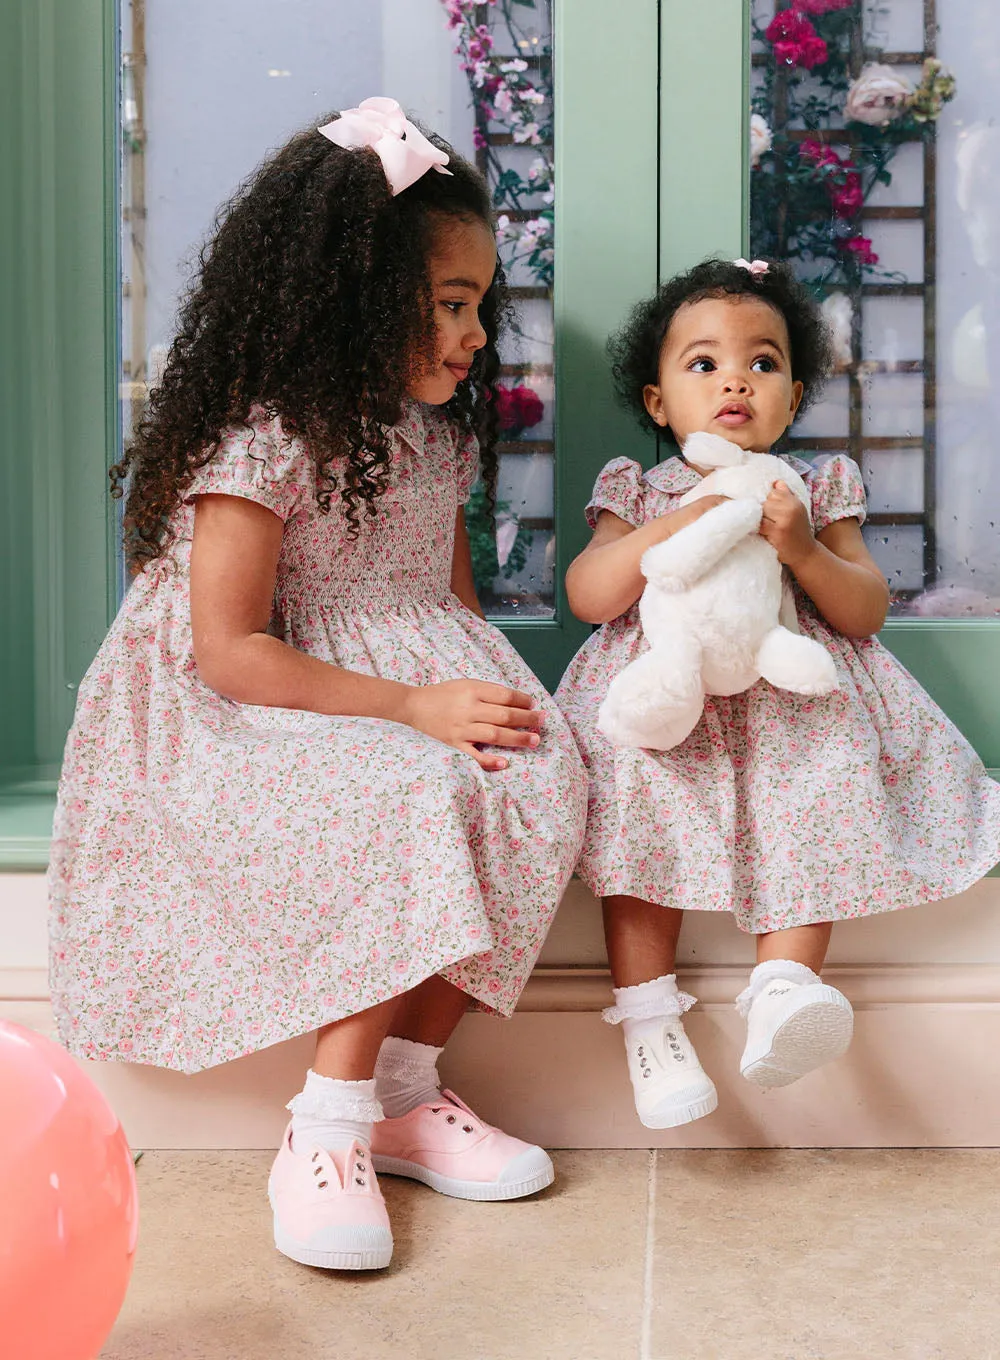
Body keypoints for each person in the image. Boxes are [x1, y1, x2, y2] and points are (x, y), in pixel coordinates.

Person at [49, 98, 586, 1271]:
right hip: (235, 704)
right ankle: (325, 1127)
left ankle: (401, 1088)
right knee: (407, 790)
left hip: (382, 674)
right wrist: (410, 710)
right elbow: (230, 650)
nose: (475, 334)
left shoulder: (434, 437)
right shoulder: (262, 435)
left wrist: (472, 702)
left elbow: (441, 607)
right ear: (354, 297)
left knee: (535, 776)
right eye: (451, 304)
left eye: (483, 307)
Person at [555, 257, 1000, 1129]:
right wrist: (677, 520)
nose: (735, 382)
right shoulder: (636, 486)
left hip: (793, 695)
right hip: (666, 696)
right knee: (635, 803)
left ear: (791, 400)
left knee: (821, 790)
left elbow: (864, 609)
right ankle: (650, 1025)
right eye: (704, 364)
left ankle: (785, 991)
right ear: (658, 403)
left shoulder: (813, 485)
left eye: (763, 364)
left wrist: (803, 549)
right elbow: (589, 593)